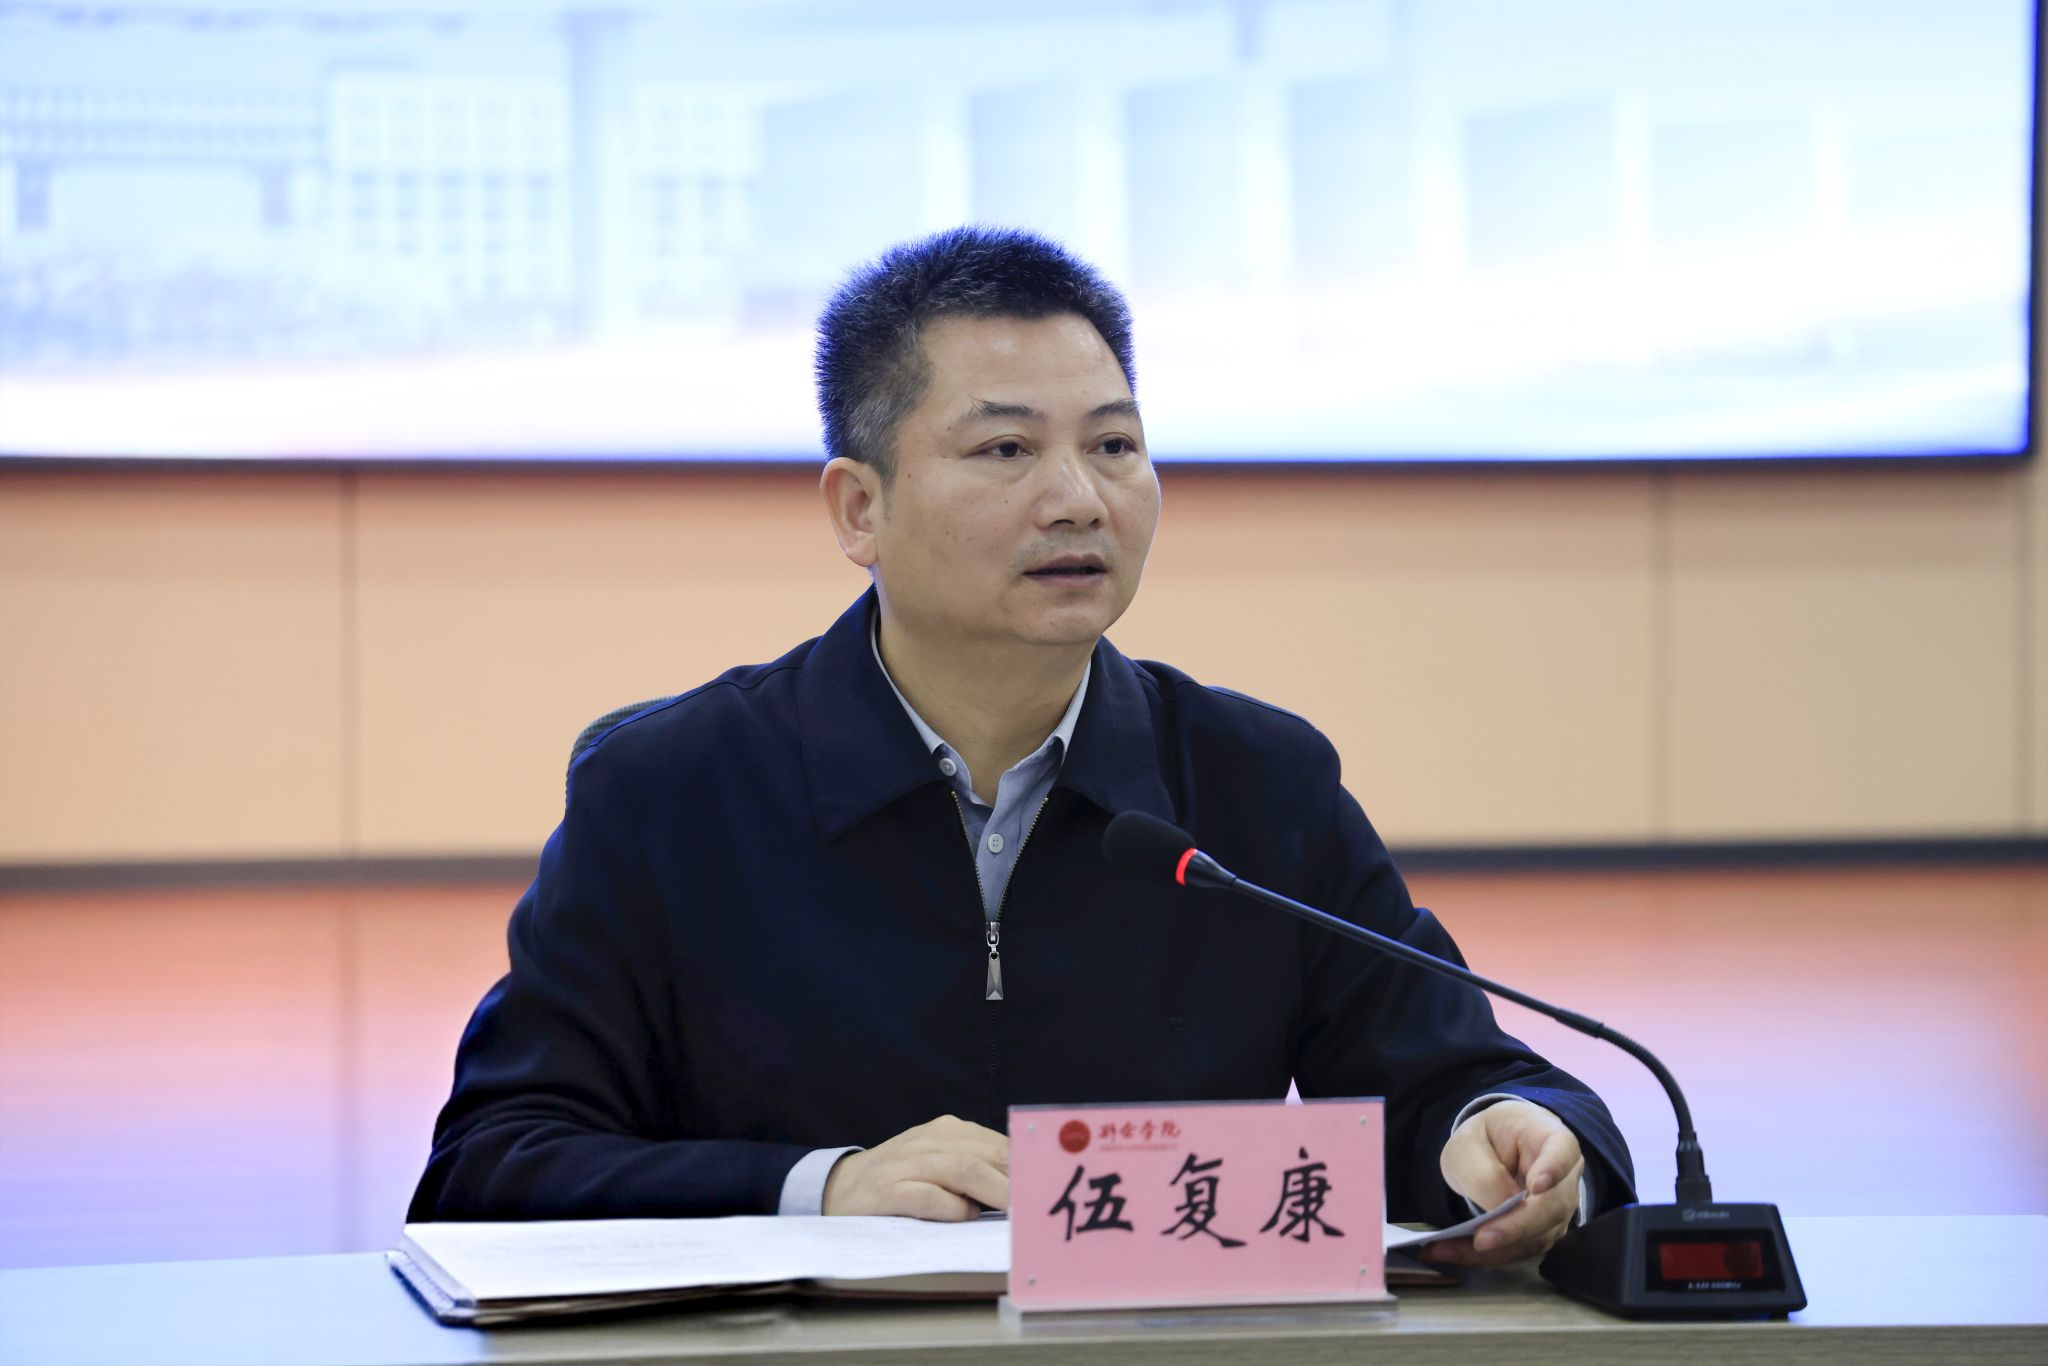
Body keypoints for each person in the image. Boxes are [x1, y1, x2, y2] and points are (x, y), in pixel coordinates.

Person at [409, 227, 1635, 1268]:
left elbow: (1461, 1079)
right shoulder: (669, 792)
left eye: (1113, 445)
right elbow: (493, 1164)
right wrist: (818, 1189)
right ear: (858, 507)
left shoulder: (1256, 781)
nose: (1079, 498)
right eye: (1005, 450)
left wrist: (1505, 1135)